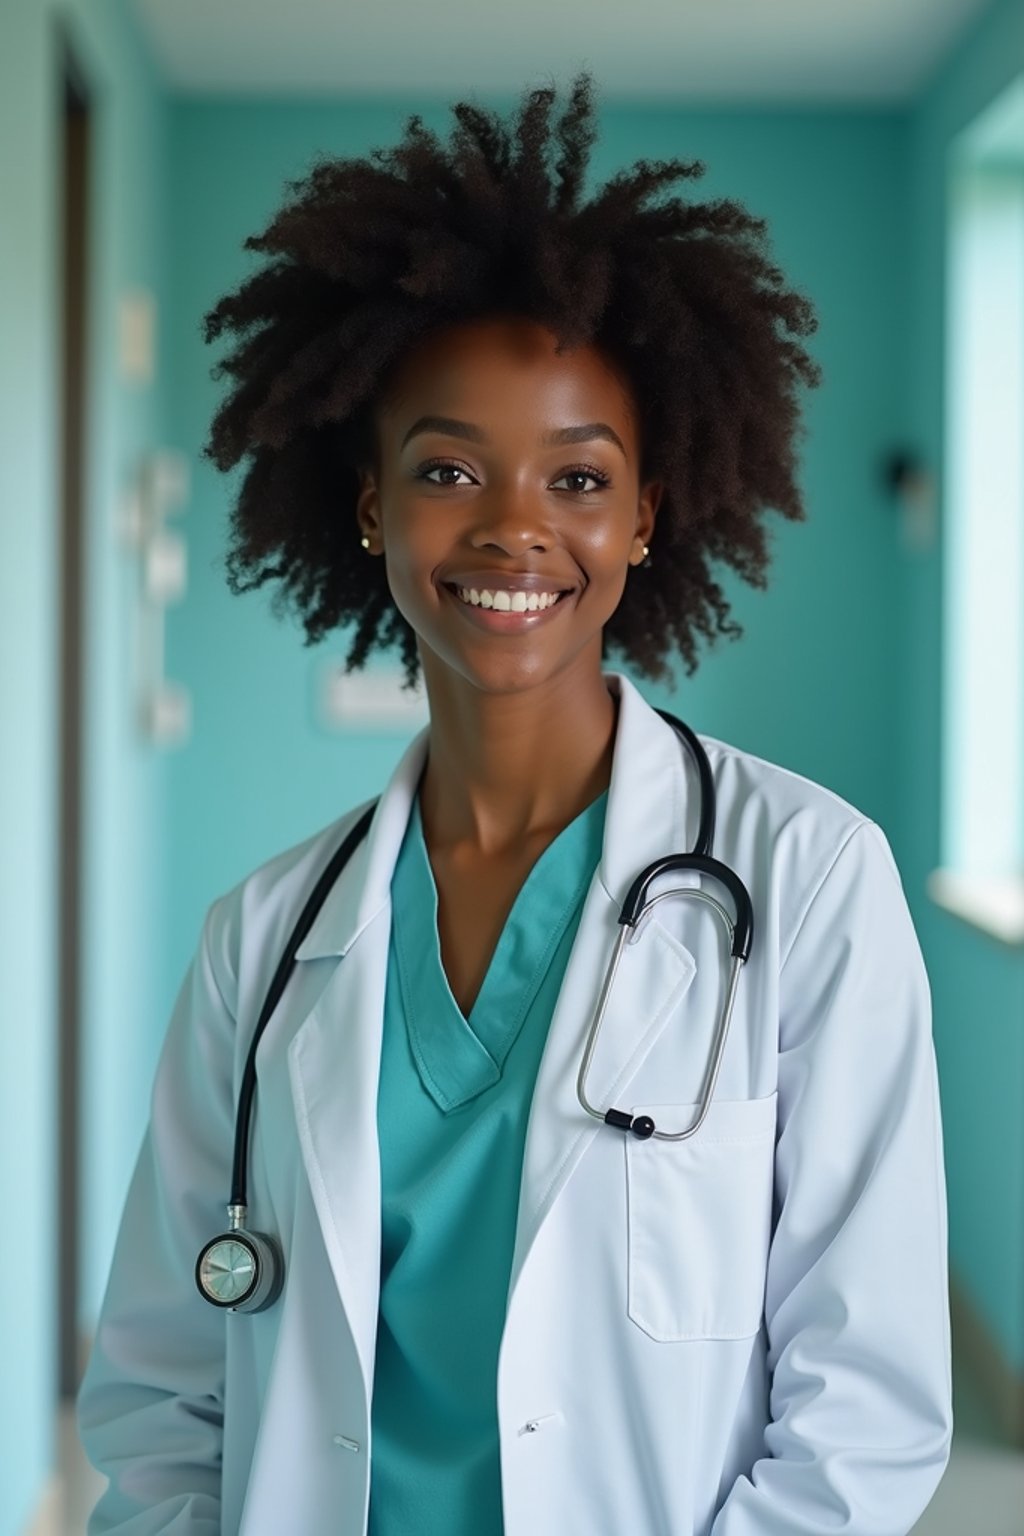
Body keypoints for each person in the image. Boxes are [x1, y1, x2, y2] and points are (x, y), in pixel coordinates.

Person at [77, 73, 952, 1535]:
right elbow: (164, 1400)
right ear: (368, 504)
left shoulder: (805, 879)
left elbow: (863, 1407)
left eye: (579, 476)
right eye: (445, 469)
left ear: (648, 513)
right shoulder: (268, 937)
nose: (512, 529)